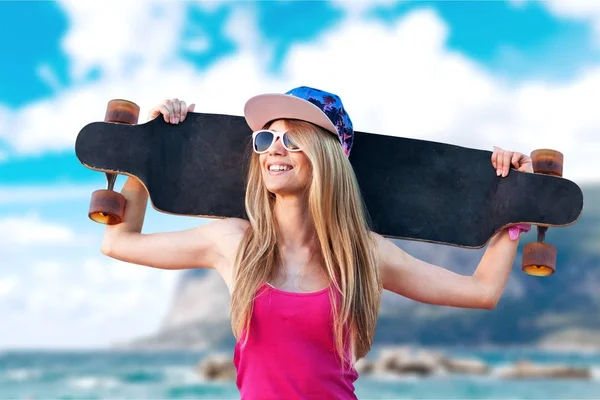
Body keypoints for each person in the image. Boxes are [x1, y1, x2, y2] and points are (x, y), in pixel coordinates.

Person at [100, 86, 533, 399]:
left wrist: (512, 206)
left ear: (327, 155)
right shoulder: (233, 244)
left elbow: (481, 291)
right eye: (266, 138)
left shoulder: (363, 253)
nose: (274, 149)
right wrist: (145, 155)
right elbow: (119, 243)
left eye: (292, 138)